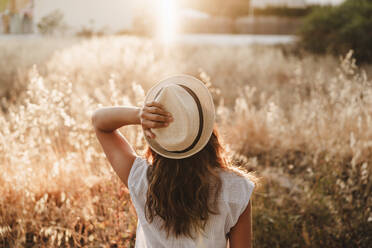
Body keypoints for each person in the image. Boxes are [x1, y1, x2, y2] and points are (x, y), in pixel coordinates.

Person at [92, 75, 256, 248]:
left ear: (157, 137)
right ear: (206, 130)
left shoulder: (141, 179)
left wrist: (139, 114)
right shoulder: (236, 188)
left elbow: (99, 122)